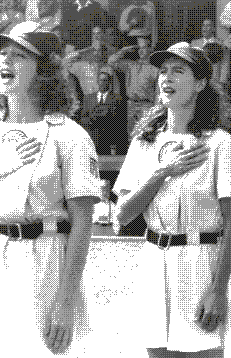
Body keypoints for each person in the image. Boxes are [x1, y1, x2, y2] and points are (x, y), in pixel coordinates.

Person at [113, 42, 231, 358]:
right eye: (162, 70)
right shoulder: (144, 143)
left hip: (200, 262)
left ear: (200, 83)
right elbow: (122, 216)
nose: (166, 78)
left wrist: (217, 289)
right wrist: (161, 173)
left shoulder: (220, 144)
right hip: (153, 260)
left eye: (178, 70)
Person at [0, 21, 103, 356]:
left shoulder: (68, 136)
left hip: (44, 257)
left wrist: (65, 300)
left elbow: (83, 223)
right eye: (4, 53)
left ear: (44, 70)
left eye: (18, 56)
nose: (5, 61)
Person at [107, 36, 157, 140]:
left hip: (146, 105)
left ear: (150, 49)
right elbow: (110, 61)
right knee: (132, 135)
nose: (141, 51)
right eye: (139, 48)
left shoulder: (154, 69)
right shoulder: (130, 66)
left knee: (146, 135)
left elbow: (158, 91)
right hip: (131, 105)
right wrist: (124, 50)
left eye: (144, 47)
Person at [80, 67, 127, 155]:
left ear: (109, 82)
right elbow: (83, 118)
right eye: (101, 80)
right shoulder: (88, 98)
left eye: (105, 80)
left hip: (108, 140)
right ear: (97, 81)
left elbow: (119, 122)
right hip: (92, 138)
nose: (102, 83)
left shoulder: (117, 99)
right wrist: (91, 120)